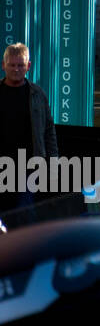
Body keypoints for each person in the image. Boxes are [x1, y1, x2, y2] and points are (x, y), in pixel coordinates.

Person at [1, 43, 58, 212]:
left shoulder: (37, 94)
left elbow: (49, 131)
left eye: (20, 65)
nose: (16, 69)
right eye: (12, 65)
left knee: (24, 216)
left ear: (28, 66)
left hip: (29, 168)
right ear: (3, 65)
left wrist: (53, 163)